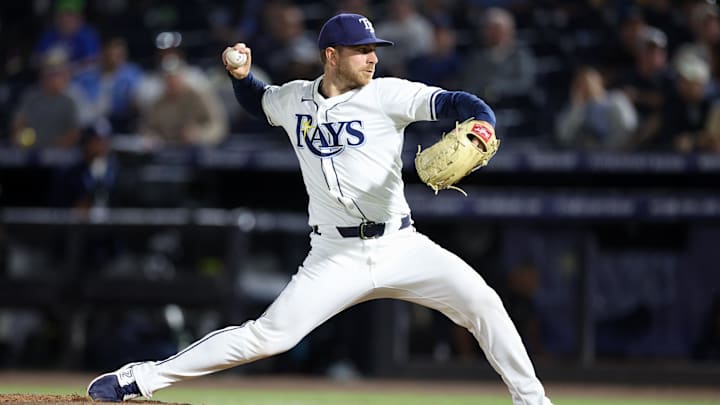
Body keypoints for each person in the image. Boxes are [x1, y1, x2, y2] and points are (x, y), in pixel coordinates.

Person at [87, 13, 553, 405]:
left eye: (375, 48)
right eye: (360, 49)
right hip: (334, 253)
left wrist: (484, 125)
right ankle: (139, 379)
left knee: (483, 303)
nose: (372, 57)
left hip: (400, 243)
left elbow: (460, 102)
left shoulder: (387, 94)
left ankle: (533, 401)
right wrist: (241, 77)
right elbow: (259, 103)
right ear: (331, 55)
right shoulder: (294, 99)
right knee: (268, 336)